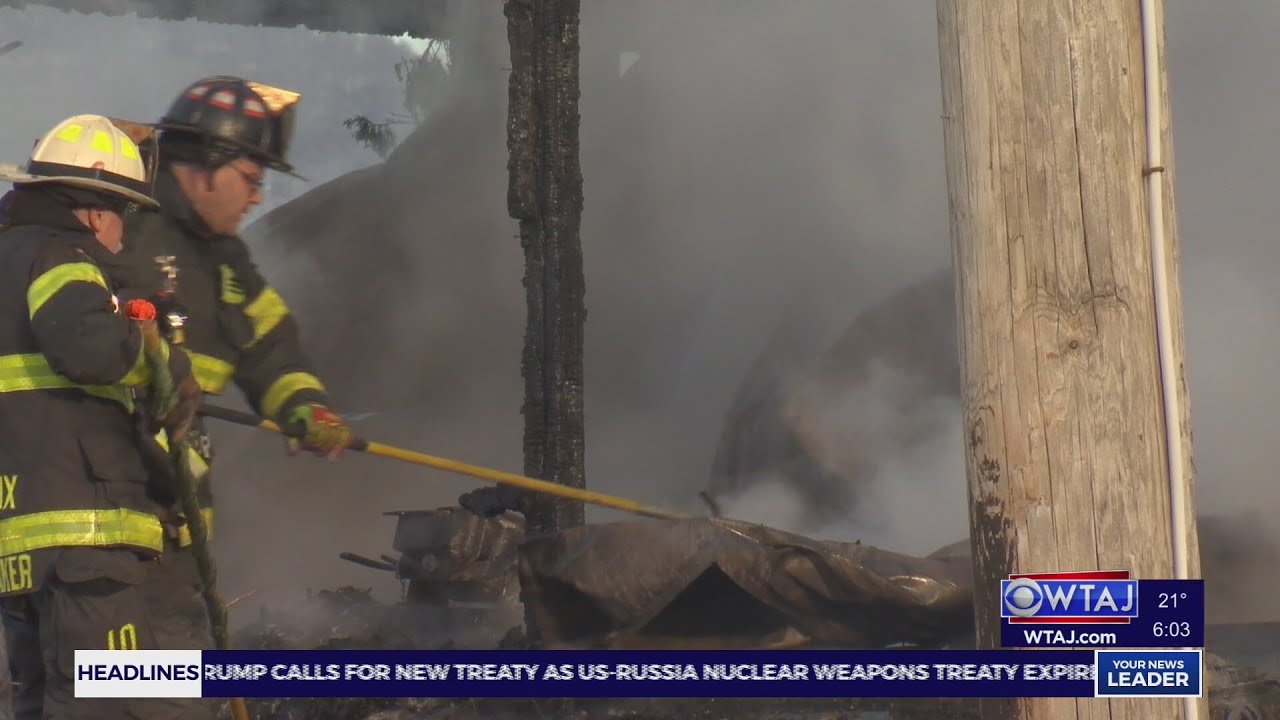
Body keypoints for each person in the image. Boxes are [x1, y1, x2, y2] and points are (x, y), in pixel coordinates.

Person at [0, 114, 210, 719]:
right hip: (84, 548)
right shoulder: (63, 257)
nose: (122, 236)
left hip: (24, 550)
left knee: (44, 704)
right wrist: (163, 361)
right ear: (95, 212)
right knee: (112, 704)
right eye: (124, 215)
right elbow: (88, 347)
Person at [101, 76, 352, 542]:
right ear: (205, 163)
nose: (256, 198)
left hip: (171, 523)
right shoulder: (119, 224)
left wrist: (306, 406)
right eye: (251, 180)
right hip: (105, 514)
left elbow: (269, 343)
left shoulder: (223, 259)